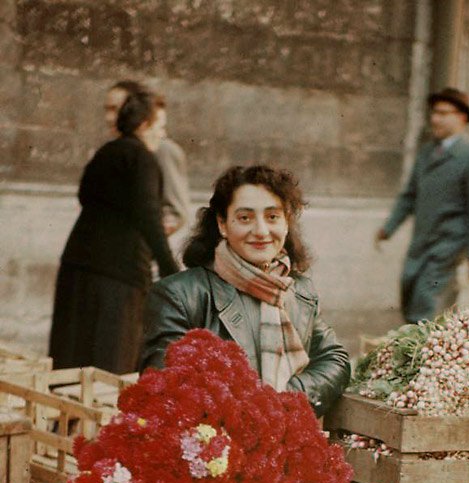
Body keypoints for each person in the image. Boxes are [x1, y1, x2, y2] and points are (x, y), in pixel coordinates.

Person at [141, 165, 351, 417]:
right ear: (222, 224)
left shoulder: (297, 290)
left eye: (272, 217)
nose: (261, 231)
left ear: (286, 223)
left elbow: (334, 359)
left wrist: (284, 400)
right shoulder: (179, 295)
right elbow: (165, 388)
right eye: (245, 218)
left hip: (283, 441)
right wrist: (251, 412)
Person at [49, 90, 179, 374]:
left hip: (78, 268)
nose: (162, 134)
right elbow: (150, 218)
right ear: (143, 125)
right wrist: (172, 271)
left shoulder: (106, 151)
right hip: (118, 278)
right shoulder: (142, 158)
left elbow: (85, 196)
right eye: (160, 127)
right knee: (110, 364)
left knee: (71, 358)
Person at [375, 87, 469, 324]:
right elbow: (409, 195)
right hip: (421, 243)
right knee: (409, 295)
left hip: (448, 246)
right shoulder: (428, 152)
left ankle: (423, 355)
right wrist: (389, 227)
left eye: (442, 113)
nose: (434, 119)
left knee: (427, 305)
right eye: (434, 113)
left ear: (462, 117)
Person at [104, 79, 191, 241]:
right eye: (107, 109)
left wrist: (134, 244)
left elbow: (175, 213)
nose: (109, 117)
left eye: (117, 109)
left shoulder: (162, 150)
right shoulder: (115, 151)